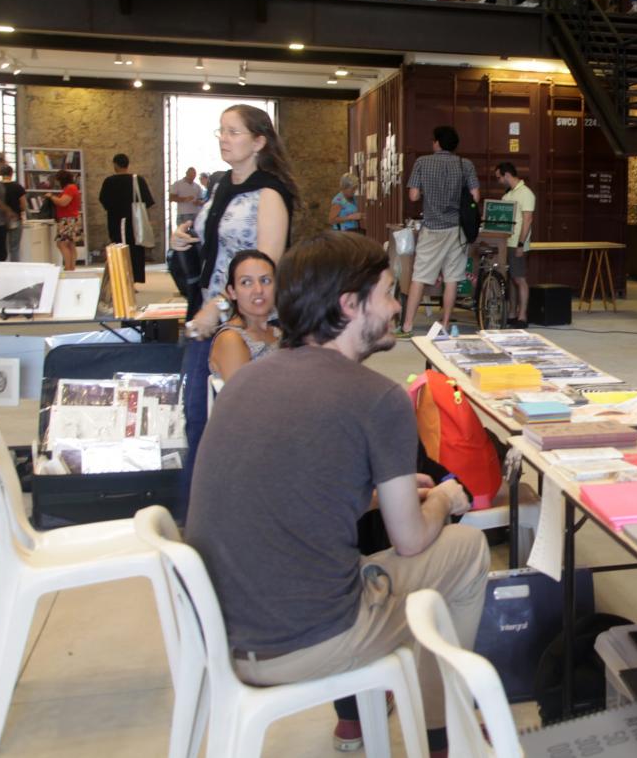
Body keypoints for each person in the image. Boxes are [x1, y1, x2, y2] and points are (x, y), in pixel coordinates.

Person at [185, 231, 489, 758]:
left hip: (223, 633)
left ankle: (401, 716)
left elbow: (287, 489)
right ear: (350, 305)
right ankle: (446, 734)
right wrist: (445, 499)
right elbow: (413, 541)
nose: (397, 307)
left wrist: (369, 498)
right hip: (305, 642)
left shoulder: (249, 380)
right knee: (464, 551)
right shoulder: (379, 398)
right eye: (390, 292)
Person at [170, 104, 298, 331]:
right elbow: (215, 241)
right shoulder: (222, 185)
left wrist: (218, 306)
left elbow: (265, 267)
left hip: (248, 315)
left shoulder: (269, 193)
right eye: (221, 131)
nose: (223, 139)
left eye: (233, 132)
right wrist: (183, 239)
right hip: (209, 302)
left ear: (258, 142)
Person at [398, 125, 479, 337]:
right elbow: (475, 197)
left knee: (420, 277)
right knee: (452, 278)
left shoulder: (422, 162)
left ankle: (407, 326)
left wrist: (428, 190)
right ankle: (444, 324)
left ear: (437, 142)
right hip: (457, 230)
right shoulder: (465, 164)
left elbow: (413, 196)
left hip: (433, 228)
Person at [208, 249, 280, 384]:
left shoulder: (277, 332)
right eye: (246, 282)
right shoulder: (231, 339)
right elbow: (241, 400)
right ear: (232, 292)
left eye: (265, 280)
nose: (258, 290)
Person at [99, 153, 155, 286]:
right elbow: (147, 201)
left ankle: (120, 279)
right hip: (135, 222)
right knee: (135, 250)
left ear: (115, 165)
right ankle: (133, 281)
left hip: (116, 221)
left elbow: (104, 200)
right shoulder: (138, 180)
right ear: (127, 164)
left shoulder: (109, 181)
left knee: (118, 248)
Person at [496, 162, 535, 329]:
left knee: (519, 279)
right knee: (511, 279)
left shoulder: (526, 193)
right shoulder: (507, 195)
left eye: (499, 177)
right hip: (506, 242)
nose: (498, 181)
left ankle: (522, 316)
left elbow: (527, 219)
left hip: (516, 243)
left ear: (506, 175)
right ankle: (512, 313)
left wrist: (520, 244)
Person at [46, 169, 82, 271]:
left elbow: (63, 202)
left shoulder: (70, 188)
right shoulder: (72, 188)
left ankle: (68, 266)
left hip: (68, 219)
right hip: (72, 218)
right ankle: (71, 266)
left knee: (61, 243)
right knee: (70, 244)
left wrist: (51, 197)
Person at [0, 165, 25, 261]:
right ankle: (15, 269)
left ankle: (2, 269)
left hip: (0, 220)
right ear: (11, 173)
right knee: (14, 248)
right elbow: (23, 206)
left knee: (1, 247)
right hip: (15, 219)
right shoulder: (18, 187)